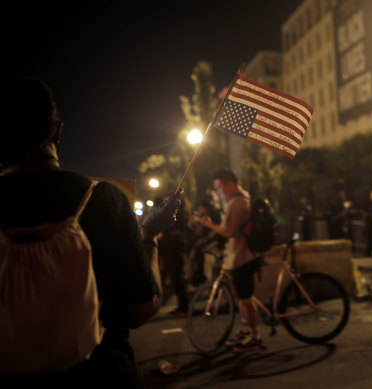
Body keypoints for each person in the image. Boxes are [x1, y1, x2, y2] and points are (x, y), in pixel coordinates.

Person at [0, 78, 181, 387]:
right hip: (99, 373)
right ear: (58, 131)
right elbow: (141, 308)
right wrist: (149, 236)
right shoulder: (103, 200)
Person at [196, 169, 262, 352]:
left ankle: (255, 336)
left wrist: (207, 224)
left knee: (246, 299)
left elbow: (229, 231)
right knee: (242, 297)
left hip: (243, 256)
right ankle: (244, 331)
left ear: (229, 184)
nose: (218, 192)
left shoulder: (236, 202)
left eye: (219, 187)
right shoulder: (243, 197)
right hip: (240, 256)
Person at [157, 197, 195, 317]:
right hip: (173, 246)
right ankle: (182, 306)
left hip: (174, 247)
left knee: (177, 276)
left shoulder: (178, 212)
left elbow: (172, 226)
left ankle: (184, 307)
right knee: (175, 277)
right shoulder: (180, 212)